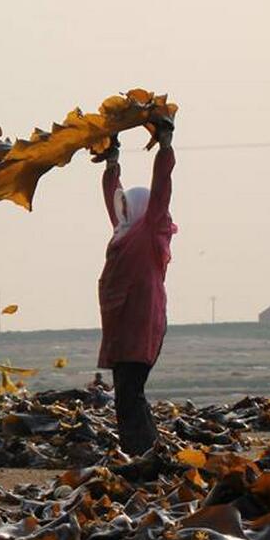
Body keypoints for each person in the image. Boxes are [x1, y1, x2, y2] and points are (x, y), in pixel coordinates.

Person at [95, 122, 176, 456]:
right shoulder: (124, 231)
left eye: (129, 206)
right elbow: (112, 199)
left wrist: (165, 149)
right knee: (128, 393)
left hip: (141, 323)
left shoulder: (150, 231)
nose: (123, 210)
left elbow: (161, 192)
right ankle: (148, 451)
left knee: (130, 393)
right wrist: (111, 164)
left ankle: (142, 453)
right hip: (123, 324)